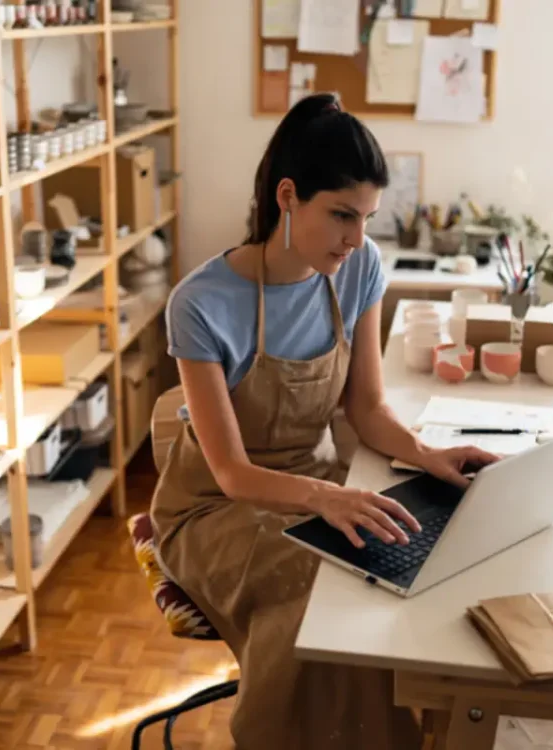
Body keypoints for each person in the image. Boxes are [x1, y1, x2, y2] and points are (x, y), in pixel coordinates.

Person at [150, 92, 499, 749]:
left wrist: (426, 455)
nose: (356, 238)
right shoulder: (199, 303)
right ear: (288, 197)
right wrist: (327, 497)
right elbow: (231, 474)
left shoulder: (359, 268)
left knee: (402, 557)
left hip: (316, 483)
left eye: (366, 218)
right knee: (321, 588)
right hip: (215, 508)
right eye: (342, 214)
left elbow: (366, 408)